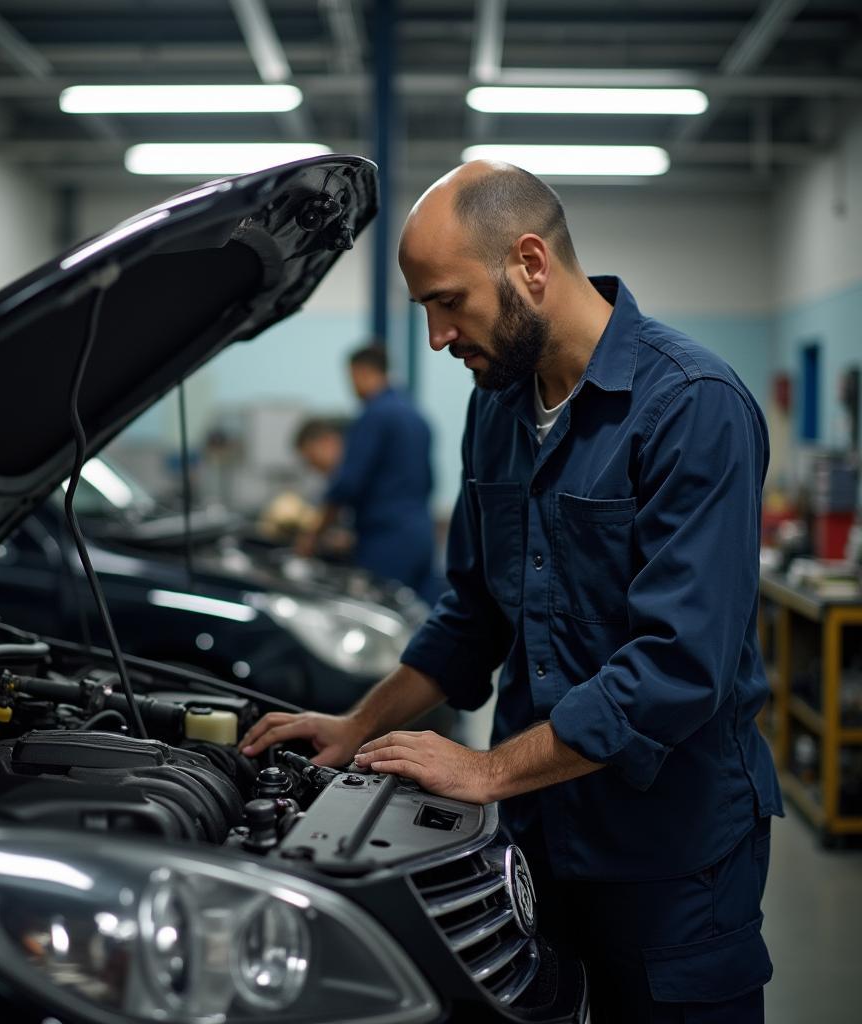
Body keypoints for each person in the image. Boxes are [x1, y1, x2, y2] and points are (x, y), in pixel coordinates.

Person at [242, 161, 782, 1023]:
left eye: (448, 302)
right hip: (533, 840)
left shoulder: (693, 407)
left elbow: (679, 666)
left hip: (671, 859)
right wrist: (359, 724)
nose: (437, 337)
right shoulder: (496, 407)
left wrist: (489, 769)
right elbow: (472, 614)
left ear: (531, 263)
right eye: (426, 309)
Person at [296, 345, 438, 599]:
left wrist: (313, 534)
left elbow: (347, 483)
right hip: (421, 534)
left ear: (360, 372)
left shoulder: (374, 416)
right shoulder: (416, 416)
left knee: (380, 619)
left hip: (386, 541)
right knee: (418, 616)